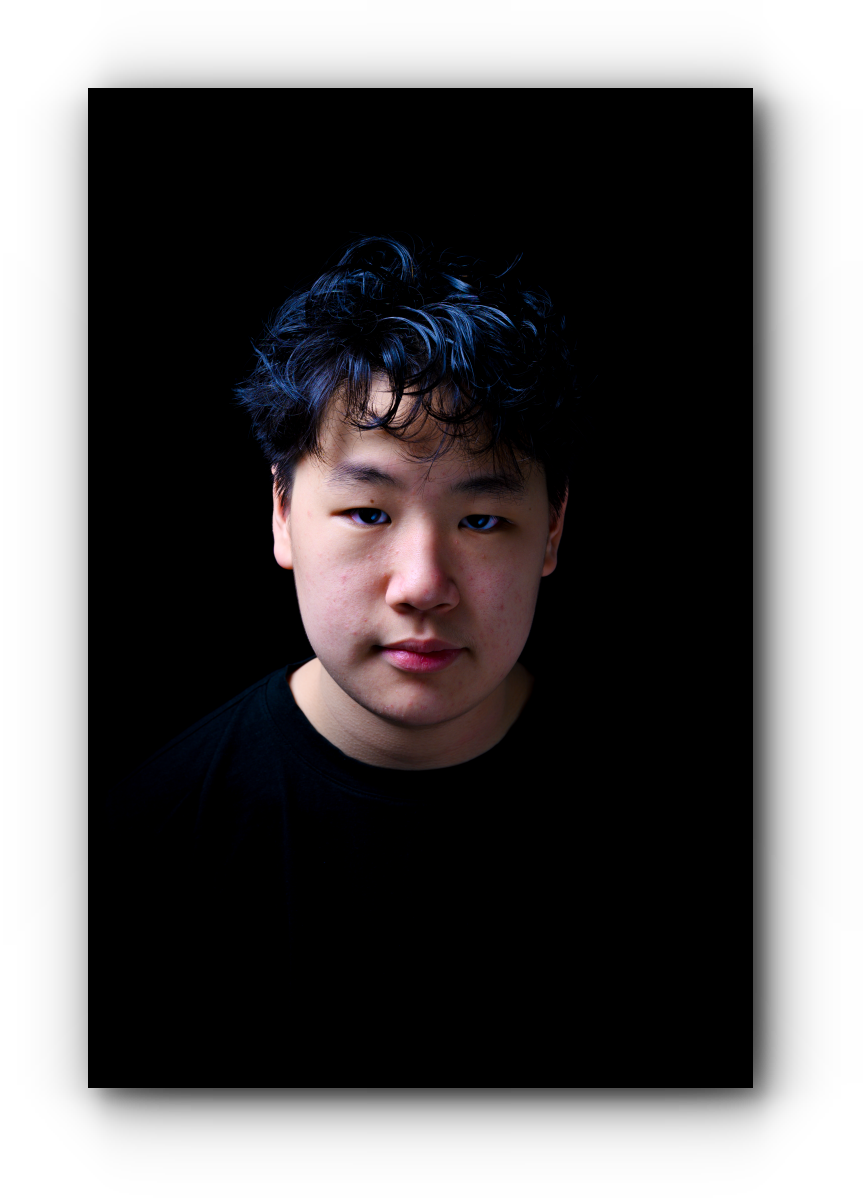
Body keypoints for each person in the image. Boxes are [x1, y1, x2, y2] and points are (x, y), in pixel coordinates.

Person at [102, 233, 589, 1005]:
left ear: (552, 529)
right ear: (282, 513)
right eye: (368, 512)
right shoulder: (148, 843)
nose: (422, 587)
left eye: (481, 521)